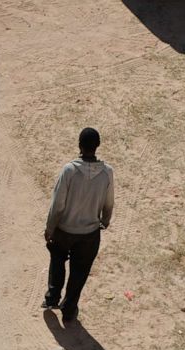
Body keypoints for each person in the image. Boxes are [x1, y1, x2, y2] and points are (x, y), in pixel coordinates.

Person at [42, 127, 114, 322]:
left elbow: (58, 205)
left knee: (57, 262)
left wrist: (50, 229)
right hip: (90, 234)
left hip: (64, 230)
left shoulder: (70, 171)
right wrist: (104, 221)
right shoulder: (107, 172)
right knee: (79, 273)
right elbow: (109, 203)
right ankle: (69, 308)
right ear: (97, 146)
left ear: (79, 146)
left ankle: (52, 298)